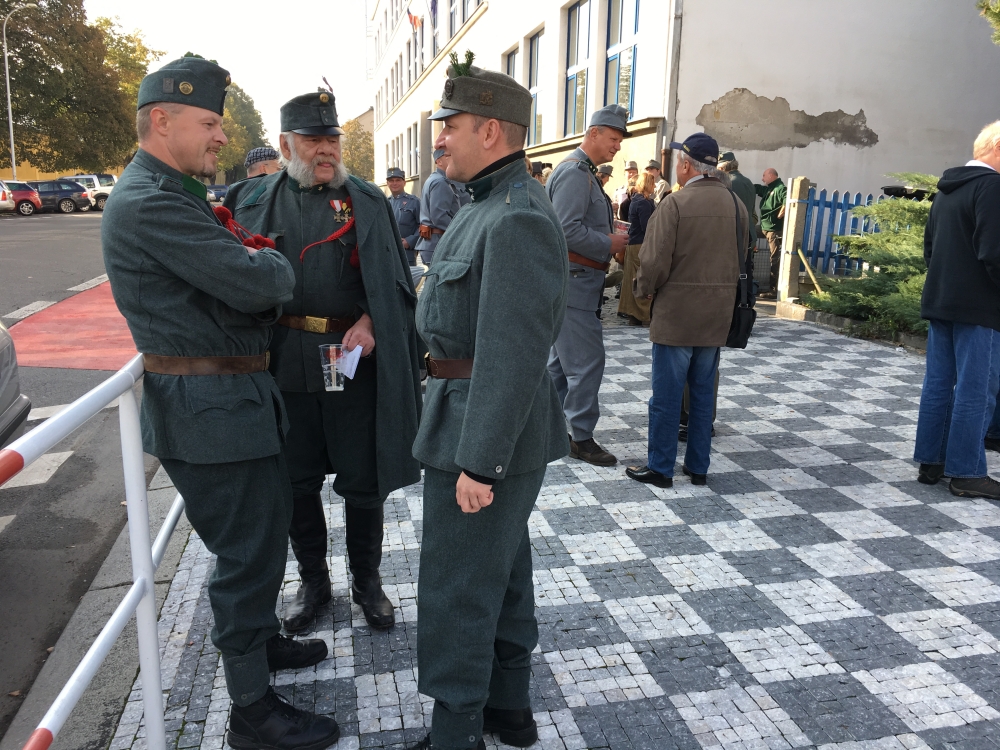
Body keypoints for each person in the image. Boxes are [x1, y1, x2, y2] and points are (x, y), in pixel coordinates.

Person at [102, 57, 341, 750]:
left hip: (230, 401)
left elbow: (244, 285)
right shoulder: (151, 202)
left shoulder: (173, 193)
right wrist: (268, 272)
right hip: (210, 411)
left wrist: (254, 278)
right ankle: (252, 711)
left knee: (262, 537)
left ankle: (261, 645)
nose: (220, 136)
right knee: (246, 557)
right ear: (161, 121)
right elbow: (261, 284)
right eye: (209, 123)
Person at [409, 56, 569, 750]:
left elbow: (512, 353)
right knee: (501, 571)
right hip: (469, 417)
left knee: (458, 587)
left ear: (492, 132)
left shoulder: (516, 217)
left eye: (450, 126)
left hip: (480, 430)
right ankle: (508, 707)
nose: (439, 139)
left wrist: (480, 462)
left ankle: (457, 732)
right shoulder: (484, 206)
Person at [224, 92, 423, 634]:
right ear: (286, 145)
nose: (327, 150)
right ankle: (313, 582)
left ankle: (367, 582)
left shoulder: (367, 200)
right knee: (296, 479)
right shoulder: (251, 201)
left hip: (351, 362)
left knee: (363, 478)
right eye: (313, 141)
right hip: (283, 363)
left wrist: (373, 321)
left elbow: (397, 282)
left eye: (332, 139)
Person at [627, 133, 748, 489]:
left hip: (677, 316)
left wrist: (642, 290)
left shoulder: (675, 204)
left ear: (685, 165)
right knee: (702, 395)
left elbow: (653, 261)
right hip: (717, 314)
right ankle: (698, 467)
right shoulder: (736, 205)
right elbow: (741, 254)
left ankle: (661, 468)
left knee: (667, 396)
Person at [914, 120, 1000, 499]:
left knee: (938, 383)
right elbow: (994, 252)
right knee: (975, 388)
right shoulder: (992, 187)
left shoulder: (947, 190)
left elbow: (929, 250)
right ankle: (966, 472)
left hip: (941, 300)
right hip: (979, 307)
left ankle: (931, 461)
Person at [547, 105, 630, 467]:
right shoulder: (575, 174)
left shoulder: (582, 173)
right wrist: (607, 242)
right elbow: (565, 230)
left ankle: (549, 429)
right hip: (575, 282)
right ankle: (580, 438)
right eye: (613, 138)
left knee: (558, 365)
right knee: (586, 363)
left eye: (620, 140)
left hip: (575, 281)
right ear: (593, 133)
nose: (617, 146)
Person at [617, 171, 655, 326]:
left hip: (635, 244)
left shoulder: (637, 200)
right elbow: (647, 227)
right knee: (639, 279)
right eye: (652, 183)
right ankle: (640, 314)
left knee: (632, 280)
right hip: (640, 245)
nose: (654, 186)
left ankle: (633, 315)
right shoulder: (643, 202)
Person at [416, 148, 461, 266]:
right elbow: (439, 216)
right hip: (437, 243)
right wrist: (461, 230)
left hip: (434, 243)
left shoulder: (436, 179)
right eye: (448, 156)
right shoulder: (440, 182)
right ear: (439, 161)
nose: (453, 159)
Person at [755, 167, 786, 294]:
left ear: (771, 175)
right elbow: (757, 188)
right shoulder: (769, 189)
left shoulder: (780, 188)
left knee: (774, 258)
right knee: (748, 232)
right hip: (764, 227)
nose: (762, 179)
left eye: (764, 176)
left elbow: (787, 201)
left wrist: (780, 214)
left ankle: (773, 290)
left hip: (774, 230)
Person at [387, 167, 422, 265]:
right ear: (387, 183)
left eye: (398, 180)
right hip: (388, 253)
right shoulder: (385, 203)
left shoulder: (414, 202)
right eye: (391, 180)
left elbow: (423, 225)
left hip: (406, 253)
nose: (394, 183)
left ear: (404, 182)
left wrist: (410, 241)